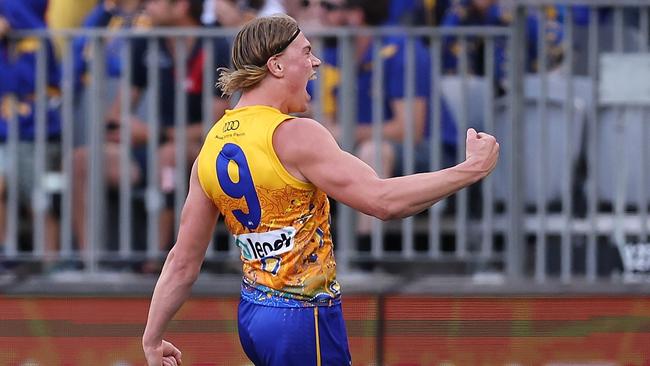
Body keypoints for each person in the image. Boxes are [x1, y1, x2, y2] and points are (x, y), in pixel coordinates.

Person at [142, 14, 499, 365]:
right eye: (306, 51)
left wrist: (152, 337)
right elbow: (382, 201)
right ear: (277, 66)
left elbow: (182, 261)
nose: (316, 62)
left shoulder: (213, 143)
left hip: (253, 315)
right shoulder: (295, 134)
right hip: (303, 317)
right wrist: (468, 170)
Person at [72, 0, 230, 267]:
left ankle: (158, 260)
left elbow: (213, 128)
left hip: (203, 153)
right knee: (81, 160)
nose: (146, 6)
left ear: (181, 6)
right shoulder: (146, 43)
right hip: (154, 147)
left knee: (168, 156)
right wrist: (118, 127)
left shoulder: (215, 45)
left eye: (154, 1)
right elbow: (117, 114)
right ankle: (89, 263)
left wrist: (154, 134)